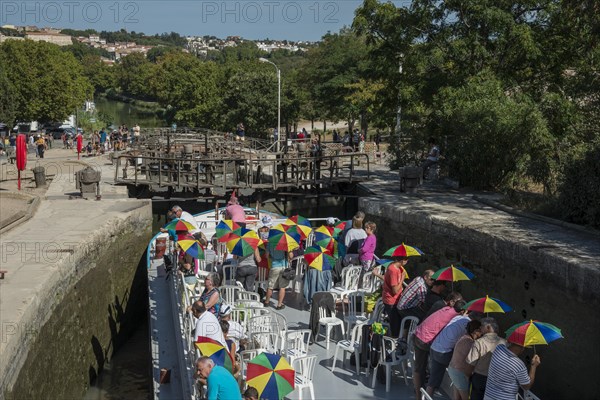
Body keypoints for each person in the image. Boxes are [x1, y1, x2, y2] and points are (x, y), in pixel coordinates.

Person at [413, 300, 467, 400]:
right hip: (424, 340)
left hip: (418, 333)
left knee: (424, 369)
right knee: (420, 369)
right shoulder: (455, 317)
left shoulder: (446, 309)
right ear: (463, 311)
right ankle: (418, 396)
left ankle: (423, 392)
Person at [426, 309, 481, 397]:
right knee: (458, 371)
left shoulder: (459, 317)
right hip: (443, 353)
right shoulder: (467, 326)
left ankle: (428, 396)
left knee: (434, 379)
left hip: (434, 347)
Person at [466, 318, 506, 400]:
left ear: (488, 327)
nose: (480, 328)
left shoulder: (479, 342)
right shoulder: (504, 342)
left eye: (481, 326)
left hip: (479, 378)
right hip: (496, 379)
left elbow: (470, 364)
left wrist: (469, 376)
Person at [448, 320, 483, 400]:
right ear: (476, 331)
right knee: (465, 397)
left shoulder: (464, 337)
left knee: (457, 397)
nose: (481, 334)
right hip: (459, 373)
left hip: (453, 370)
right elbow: (473, 360)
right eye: (480, 331)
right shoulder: (470, 342)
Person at [259, 232, 293, 310]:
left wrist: (272, 256)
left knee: (270, 286)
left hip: (274, 266)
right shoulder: (285, 243)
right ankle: (279, 305)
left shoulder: (270, 243)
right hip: (284, 267)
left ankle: (267, 302)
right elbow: (291, 256)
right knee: (282, 287)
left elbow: (266, 256)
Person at [381, 257, 408, 337]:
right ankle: (394, 341)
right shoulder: (393, 270)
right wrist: (402, 279)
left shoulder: (396, 268)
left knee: (396, 323)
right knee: (395, 325)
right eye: (407, 259)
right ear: (403, 260)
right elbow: (395, 290)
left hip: (394, 299)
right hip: (392, 301)